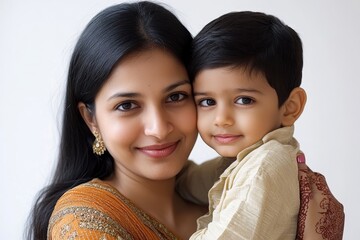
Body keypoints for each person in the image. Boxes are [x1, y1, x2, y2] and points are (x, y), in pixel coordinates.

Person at [26, 2, 344, 239]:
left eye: (176, 96)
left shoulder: (234, 195)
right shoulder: (84, 221)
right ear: (91, 119)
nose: (159, 127)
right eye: (127, 105)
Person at [182, 11, 345, 239]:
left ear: (290, 107)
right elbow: (188, 182)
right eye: (207, 101)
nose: (221, 119)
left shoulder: (264, 166)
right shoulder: (245, 158)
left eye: (244, 100)